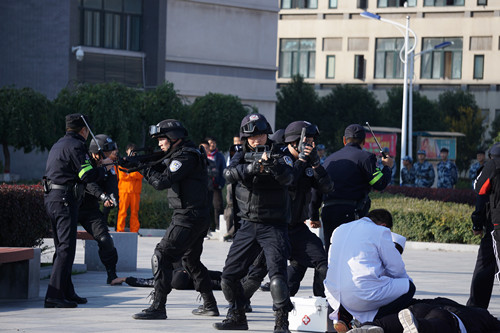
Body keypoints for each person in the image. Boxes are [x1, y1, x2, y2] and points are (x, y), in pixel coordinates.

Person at [213, 113, 294, 333]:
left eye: (258, 135)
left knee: (277, 277)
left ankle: (281, 322)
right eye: (250, 136)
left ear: (266, 133)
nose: (255, 140)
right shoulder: (241, 154)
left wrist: (272, 167)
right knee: (228, 277)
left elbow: (289, 178)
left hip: (273, 225)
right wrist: (250, 169)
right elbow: (227, 173)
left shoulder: (280, 153)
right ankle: (238, 315)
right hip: (248, 224)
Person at [132, 119, 219, 320]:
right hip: (195, 215)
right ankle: (210, 305)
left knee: (161, 255)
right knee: (190, 261)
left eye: (162, 139)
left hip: (188, 217)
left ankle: (158, 307)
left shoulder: (186, 157)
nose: (160, 143)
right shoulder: (182, 154)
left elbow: (162, 182)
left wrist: (142, 167)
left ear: (174, 138)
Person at [42, 113, 112, 308]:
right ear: (83, 130)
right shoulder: (76, 146)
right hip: (64, 200)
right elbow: (86, 174)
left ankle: (66, 291)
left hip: (53, 199)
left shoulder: (59, 144)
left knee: (62, 247)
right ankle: (54, 295)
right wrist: (103, 168)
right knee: (66, 248)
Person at [324, 209, 415, 333]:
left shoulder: (339, 229)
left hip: (333, 295)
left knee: (371, 288)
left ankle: (345, 318)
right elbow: (396, 268)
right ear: (384, 225)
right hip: (359, 294)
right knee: (408, 287)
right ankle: (370, 324)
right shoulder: (380, 231)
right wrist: (403, 280)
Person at [312, 124, 393, 253]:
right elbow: (379, 184)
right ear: (364, 141)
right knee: (352, 255)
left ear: (344, 140)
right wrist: (387, 167)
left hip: (328, 212)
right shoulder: (366, 158)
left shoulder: (329, 160)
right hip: (351, 213)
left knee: (331, 255)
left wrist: (314, 216)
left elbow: (317, 188)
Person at [283, 121, 333, 297]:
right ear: (294, 142)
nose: (311, 146)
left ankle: (320, 302)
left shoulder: (309, 163)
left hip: (297, 227)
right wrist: (301, 161)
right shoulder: (280, 159)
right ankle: (238, 308)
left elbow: (326, 187)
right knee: (257, 272)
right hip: (275, 228)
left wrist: (316, 165)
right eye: (308, 142)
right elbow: (288, 180)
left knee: (321, 261)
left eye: (313, 142)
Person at [78, 134, 121, 285]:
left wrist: (112, 199)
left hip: (91, 210)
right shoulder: (85, 160)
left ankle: (112, 274)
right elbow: (89, 183)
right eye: (106, 153)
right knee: (65, 244)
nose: (109, 157)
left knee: (105, 239)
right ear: (96, 153)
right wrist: (102, 196)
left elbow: (112, 186)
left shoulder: (108, 165)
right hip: (73, 205)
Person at [347, 297, 500, 333]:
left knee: (401, 319)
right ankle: (419, 328)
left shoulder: (477, 312)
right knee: (436, 323)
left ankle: (371, 326)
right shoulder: (484, 317)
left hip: (419, 307)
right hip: (450, 318)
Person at [467, 143, 500, 309]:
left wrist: (477, 224)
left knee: (484, 265)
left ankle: (475, 309)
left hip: (496, 226)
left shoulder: (491, 167)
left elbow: (480, 195)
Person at [116, 143, 143, 233]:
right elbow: (122, 176)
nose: (132, 153)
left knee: (135, 212)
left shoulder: (139, 161)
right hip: (124, 191)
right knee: (122, 211)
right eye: (130, 151)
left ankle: (135, 231)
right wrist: (133, 174)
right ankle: (120, 229)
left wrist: (129, 173)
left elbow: (140, 175)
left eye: (134, 151)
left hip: (135, 192)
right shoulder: (123, 161)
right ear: (127, 151)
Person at [205, 136, 226, 231]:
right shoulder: (203, 156)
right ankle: (207, 227)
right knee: (206, 207)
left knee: (218, 206)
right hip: (206, 186)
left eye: (213, 143)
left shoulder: (220, 156)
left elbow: (223, 170)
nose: (211, 145)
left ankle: (218, 227)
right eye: (209, 143)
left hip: (216, 186)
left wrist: (221, 183)